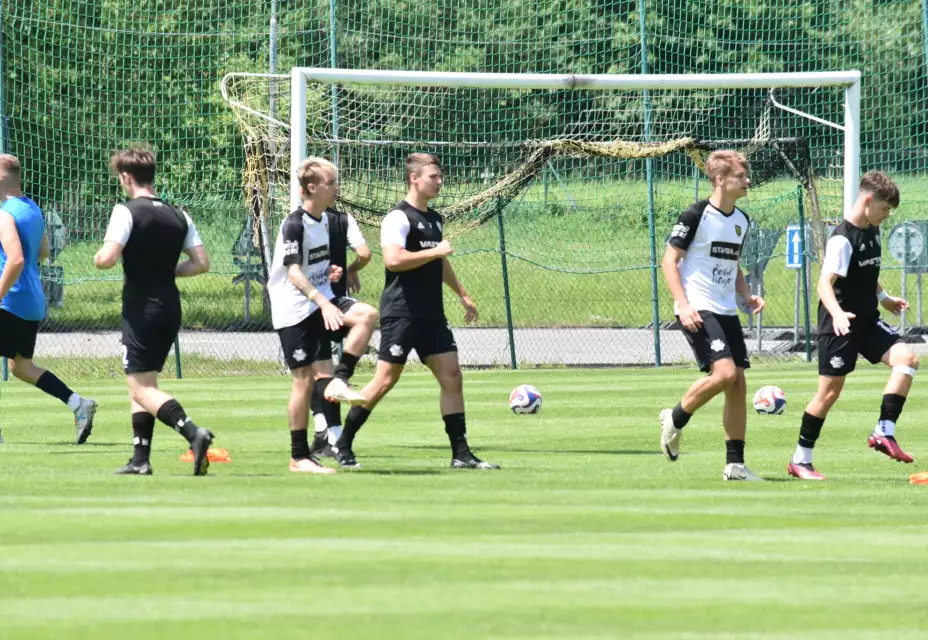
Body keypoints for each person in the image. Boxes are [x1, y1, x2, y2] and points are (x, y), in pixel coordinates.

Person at [332, 152, 498, 470]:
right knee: (383, 382)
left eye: (439, 176)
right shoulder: (398, 218)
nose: (439, 181)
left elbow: (439, 260)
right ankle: (343, 443)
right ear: (414, 178)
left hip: (432, 314)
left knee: (452, 377)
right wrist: (435, 250)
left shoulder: (435, 219)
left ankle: (461, 454)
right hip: (401, 313)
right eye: (433, 176)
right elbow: (393, 260)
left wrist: (462, 294)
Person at [787, 171, 915, 481]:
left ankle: (883, 432)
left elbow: (866, 271)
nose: (886, 216)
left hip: (868, 321)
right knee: (828, 394)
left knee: (907, 359)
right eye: (884, 209)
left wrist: (883, 297)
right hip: (839, 327)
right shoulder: (842, 239)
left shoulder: (872, 231)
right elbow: (823, 285)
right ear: (868, 201)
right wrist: (839, 315)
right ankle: (800, 460)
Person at [94, 148, 214, 476]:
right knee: (145, 381)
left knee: (140, 386)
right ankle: (140, 459)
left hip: (141, 308)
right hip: (170, 307)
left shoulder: (126, 211)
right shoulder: (179, 214)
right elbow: (202, 263)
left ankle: (193, 433)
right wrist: (166, 271)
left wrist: (99, 256)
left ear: (126, 177)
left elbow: (107, 257)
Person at [658, 150, 765, 481]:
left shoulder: (741, 220)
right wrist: (683, 304)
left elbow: (731, 264)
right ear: (720, 179)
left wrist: (746, 295)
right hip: (698, 306)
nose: (748, 181)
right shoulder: (695, 215)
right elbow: (669, 261)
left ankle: (735, 466)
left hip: (726, 310)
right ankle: (675, 418)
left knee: (738, 384)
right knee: (724, 374)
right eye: (740, 176)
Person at [267, 157, 378, 474]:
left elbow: (314, 266)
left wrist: (331, 272)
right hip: (295, 309)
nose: (336, 188)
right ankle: (299, 456)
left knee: (366, 315)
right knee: (302, 381)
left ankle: (339, 380)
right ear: (311, 188)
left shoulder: (330, 221)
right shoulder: (294, 224)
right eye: (331, 183)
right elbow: (292, 273)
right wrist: (322, 300)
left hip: (321, 301)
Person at [0, 154, 97, 443]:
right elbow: (42, 252)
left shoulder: (4, 215)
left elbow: (15, 260)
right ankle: (78, 404)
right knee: (22, 367)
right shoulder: (32, 209)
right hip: (32, 300)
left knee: (21, 366)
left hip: (11, 300)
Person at [309, 207, 372, 457]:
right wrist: (353, 268)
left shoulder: (298, 220)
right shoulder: (344, 219)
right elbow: (364, 255)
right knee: (367, 315)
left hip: (316, 304)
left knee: (318, 371)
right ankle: (324, 433)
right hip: (323, 305)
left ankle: (340, 379)